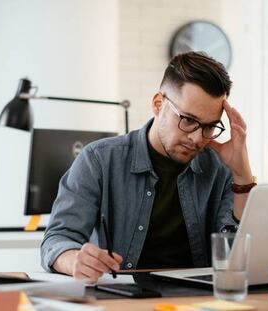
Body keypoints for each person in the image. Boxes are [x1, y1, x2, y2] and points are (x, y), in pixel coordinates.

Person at [41, 52, 255, 283]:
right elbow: (57, 239)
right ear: (158, 104)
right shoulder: (98, 160)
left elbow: (235, 257)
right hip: (122, 298)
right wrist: (74, 260)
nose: (196, 138)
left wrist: (242, 175)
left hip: (196, 300)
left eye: (209, 127)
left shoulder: (220, 169)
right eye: (188, 120)